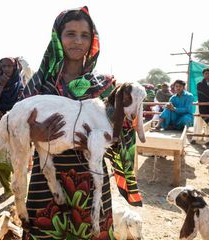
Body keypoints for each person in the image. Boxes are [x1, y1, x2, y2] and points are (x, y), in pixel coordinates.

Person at [21, 7, 141, 239]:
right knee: (46, 230)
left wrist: (105, 138)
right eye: (70, 34)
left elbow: (124, 132)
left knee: (91, 230)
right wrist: (34, 133)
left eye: (84, 35)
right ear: (57, 37)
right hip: (46, 175)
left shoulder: (105, 86)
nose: (77, 41)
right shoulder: (39, 83)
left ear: (92, 40)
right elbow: (13, 124)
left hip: (90, 174)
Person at [0, 57, 24, 202]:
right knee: (1, 154)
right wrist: (0, 87)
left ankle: (20, 189)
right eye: (3, 66)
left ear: (15, 68)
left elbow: (23, 104)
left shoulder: (19, 84)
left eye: (9, 66)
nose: (6, 69)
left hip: (16, 126)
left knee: (17, 157)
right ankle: (7, 189)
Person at [191, 68, 209, 148]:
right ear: (203, 74)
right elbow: (201, 96)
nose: (208, 75)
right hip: (201, 105)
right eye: (206, 73)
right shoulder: (199, 84)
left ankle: (208, 140)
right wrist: (206, 102)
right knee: (198, 121)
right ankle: (195, 138)